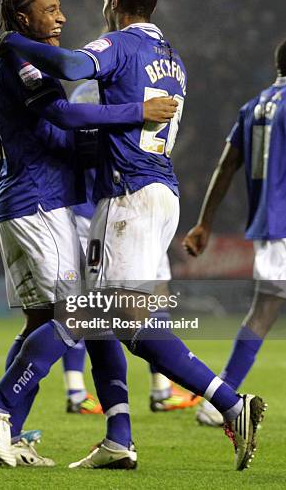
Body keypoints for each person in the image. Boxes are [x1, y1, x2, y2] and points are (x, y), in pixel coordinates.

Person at [0, 0, 267, 471]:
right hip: (158, 193)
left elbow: (71, 69)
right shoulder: (173, 60)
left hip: (126, 196)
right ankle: (122, 436)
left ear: (113, 1)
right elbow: (76, 121)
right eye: (52, 8)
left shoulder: (118, 45)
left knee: (90, 315)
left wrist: (13, 44)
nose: (64, 16)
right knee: (115, 321)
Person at [0, 0, 178, 468]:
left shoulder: (28, 57)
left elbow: (61, 130)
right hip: (37, 205)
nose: (61, 18)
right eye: (50, 10)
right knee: (77, 319)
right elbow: (61, 114)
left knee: (49, 321)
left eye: (61, 9)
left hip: (28, 202)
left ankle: (10, 434)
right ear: (23, 18)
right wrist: (135, 112)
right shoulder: (20, 58)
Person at [183, 36, 286, 426]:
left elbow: (226, 165)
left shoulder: (253, 106)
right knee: (263, 312)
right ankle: (219, 402)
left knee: (262, 313)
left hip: (273, 225)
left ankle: (218, 400)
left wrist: (205, 221)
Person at [70, 80, 201, 414]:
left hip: (134, 207)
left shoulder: (95, 94)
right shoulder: (113, 96)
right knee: (92, 307)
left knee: (148, 293)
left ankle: (159, 389)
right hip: (106, 208)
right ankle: (78, 392)